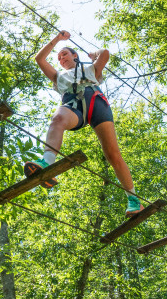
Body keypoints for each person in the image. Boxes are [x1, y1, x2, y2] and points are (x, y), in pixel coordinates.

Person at [23, 30, 143, 216]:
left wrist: (93, 55)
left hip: (97, 104)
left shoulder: (89, 69)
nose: (61, 58)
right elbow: (39, 59)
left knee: (112, 154)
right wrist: (57, 39)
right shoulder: (58, 77)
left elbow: (105, 54)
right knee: (57, 119)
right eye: (59, 57)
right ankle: (47, 163)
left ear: (74, 55)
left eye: (65, 54)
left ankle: (134, 200)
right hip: (73, 107)